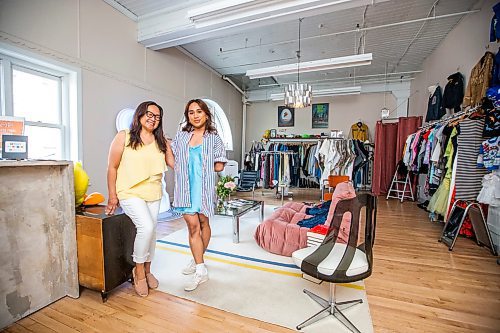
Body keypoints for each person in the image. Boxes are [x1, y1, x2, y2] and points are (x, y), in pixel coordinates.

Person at [105, 101, 170, 297]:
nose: (153, 119)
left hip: (153, 192)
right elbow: (112, 167)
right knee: (146, 227)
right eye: (149, 114)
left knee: (153, 231)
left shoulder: (161, 141)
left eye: (157, 116)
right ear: (140, 115)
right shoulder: (124, 136)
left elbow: (175, 163)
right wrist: (112, 197)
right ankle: (138, 271)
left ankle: (148, 270)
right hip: (129, 191)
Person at [166, 99, 227, 291]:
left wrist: (209, 162)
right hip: (185, 188)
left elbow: (219, 165)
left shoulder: (214, 138)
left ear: (206, 114)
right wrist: (167, 144)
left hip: (204, 188)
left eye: (199, 111)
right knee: (193, 227)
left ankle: (197, 258)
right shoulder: (181, 137)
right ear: (187, 116)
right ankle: (201, 270)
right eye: (191, 112)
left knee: (203, 224)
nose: (195, 115)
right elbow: (173, 162)